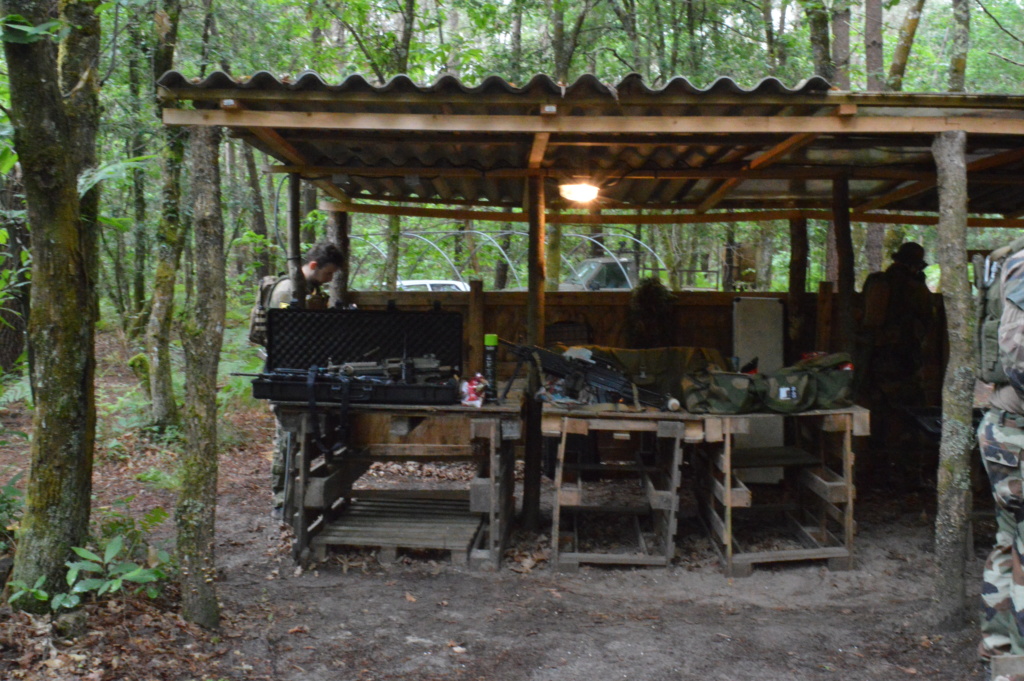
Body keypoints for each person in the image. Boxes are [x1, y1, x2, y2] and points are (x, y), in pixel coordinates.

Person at [265, 241, 345, 519]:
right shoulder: (287, 291)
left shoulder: (309, 289)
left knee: (303, 438)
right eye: (327, 274)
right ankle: (281, 500)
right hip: (286, 374)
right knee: (287, 438)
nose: (329, 280)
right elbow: (285, 331)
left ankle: (297, 497)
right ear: (313, 266)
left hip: (305, 373)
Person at [978, 244, 1024, 667]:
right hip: (1016, 431)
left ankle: (999, 651)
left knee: (1009, 540)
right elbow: (1017, 349)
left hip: (1007, 426)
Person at [856, 241, 934, 454]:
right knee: (905, 408)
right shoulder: (913, 287)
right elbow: (928, 317)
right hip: (901, 357)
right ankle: (899, 457)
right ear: (914, 264)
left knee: (877, 405)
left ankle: (876, 454)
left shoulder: (877, 281)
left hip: (875, 355)